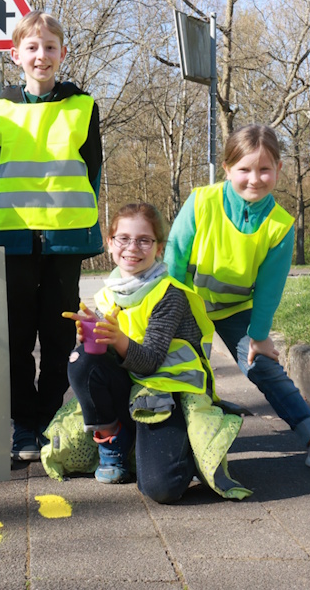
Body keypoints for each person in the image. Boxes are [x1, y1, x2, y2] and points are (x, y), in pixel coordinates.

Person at [164, 124, 310, 477]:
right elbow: (174, 261)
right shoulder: (201, 202)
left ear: (279, 169)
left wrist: (260, 334)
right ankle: (183, 444)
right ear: (227, 169)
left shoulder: (280, 225)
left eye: (265, 169)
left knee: (264, 368)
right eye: (244, 170)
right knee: (184, 371)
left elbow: (269, 287)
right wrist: (169, 318)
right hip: (187, 306)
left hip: (235, 309)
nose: (255, 179)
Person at [0, 10, 104, 462]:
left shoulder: (83, 107)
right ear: (16, 56)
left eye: (50, 47)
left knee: (57, 335)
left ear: (62, 54)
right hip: (14, 238)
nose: (41, 55)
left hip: (65, 238)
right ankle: (22, 426)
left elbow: (91, 168)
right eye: (32, 47)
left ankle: (50, 418)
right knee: (15, 336)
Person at [64, 202, 238, 504]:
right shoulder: (108, 293)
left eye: (144, 240)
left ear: (159, 248)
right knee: (81, 360)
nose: (132, 247)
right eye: (123, 238)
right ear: (110, 243)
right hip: (130, 388)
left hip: (167, 393)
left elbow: (149, 362)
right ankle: (114, 440)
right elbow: (104, 362)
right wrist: (91, 339)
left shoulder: (169, 293)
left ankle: (189, 445)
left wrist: (116, 339)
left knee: (161, 489)